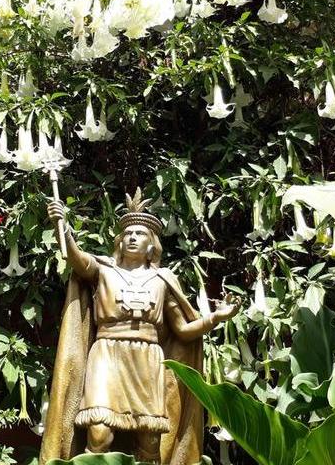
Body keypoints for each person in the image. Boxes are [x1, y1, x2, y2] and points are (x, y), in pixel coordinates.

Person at [40, 190, 238, 464]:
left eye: (140, 233)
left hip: (147, 358)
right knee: (99, 433)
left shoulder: (162, 280)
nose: (133, 237)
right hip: (107, 354)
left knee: (150, 440)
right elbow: (77, 260)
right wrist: (62, 227)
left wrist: (215, 318)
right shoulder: (104, 270)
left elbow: (183, 330)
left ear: (151, 245)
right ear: (120, 242)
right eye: (128, 233)